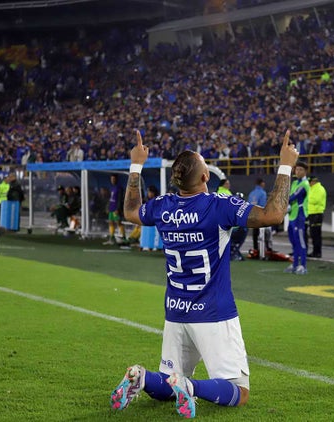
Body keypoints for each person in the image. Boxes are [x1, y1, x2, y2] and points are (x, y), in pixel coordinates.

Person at [111, 129, 297, 418]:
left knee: (167, 382)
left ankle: (142, 378)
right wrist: (285, 165)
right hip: (213, 312)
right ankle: (190, 387)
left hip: (176, 311)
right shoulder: (219, 205)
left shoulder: (162, 207)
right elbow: (273, 215)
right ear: (205, 176)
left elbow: (131, 211)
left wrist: (136, 165)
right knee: (239, 391)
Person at [285, 161, 309, 274]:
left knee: (301, 241)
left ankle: (303, 265)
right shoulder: (294, 183)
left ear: (305, 172)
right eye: (296, 169)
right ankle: (295, 264)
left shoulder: (304, 184)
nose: (297, 172)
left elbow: (292, 197)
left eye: (300, 170)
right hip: (292, 215)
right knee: (294, 241)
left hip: (300, 215)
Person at [103, 174, 126, 246]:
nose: (112, 180)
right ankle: (111, 238)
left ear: (116, 179)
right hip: (111, 208)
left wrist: (118, 208)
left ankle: (124, 237)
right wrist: (108, 207)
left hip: (116, 208)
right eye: (111, 179)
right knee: (111, 222)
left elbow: (120, 199)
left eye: (114, 179)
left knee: (118, 222)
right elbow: (110, 198)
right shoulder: (111, 187)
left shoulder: (119, 188)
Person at [307, 176, 326, 258]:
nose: (309, 183)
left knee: (316, 234)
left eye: (310, 182)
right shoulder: (312, 189)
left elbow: (316, 200)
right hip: (312, 213)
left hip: (317, 214)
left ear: (313, 181)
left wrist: (307, 199)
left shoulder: (319, 189)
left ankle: (317, 252)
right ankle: (315, 251)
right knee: (313, 234)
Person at [247, 178, 267, 251]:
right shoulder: (262, 193)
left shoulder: (251, 193)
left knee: (255, 233)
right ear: (261, 183)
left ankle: (255, 248)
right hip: (260, 215)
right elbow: (263, 205)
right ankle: (263, 250)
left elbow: (248, 203)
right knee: (263, 233)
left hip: (252, 215)